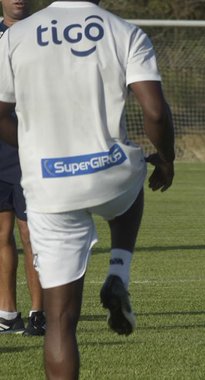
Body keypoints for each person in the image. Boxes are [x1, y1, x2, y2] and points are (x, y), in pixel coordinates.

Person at [0, 1, 175, 378]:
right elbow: (156, 112)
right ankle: (119, 272)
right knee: (132, 180)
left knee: (60, 320)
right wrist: (166, 157)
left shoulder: (15, 36)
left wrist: (33, 149)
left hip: (49, 185)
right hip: (108, 171)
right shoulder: (125, 32)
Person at [0, 0, 45, 336]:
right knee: (1, 234)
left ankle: (38, 313)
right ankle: (7, 313)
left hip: (30, 147)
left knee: (31, 235)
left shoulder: (44, 34)